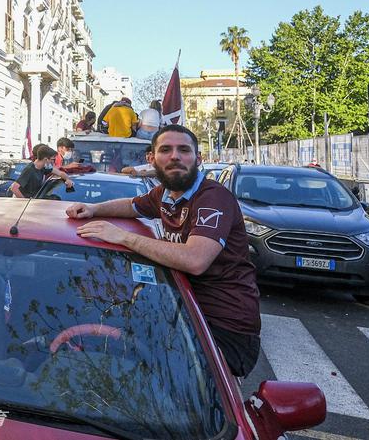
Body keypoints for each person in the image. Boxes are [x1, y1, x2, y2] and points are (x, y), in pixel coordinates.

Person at [66, 124, 261, 377]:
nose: (175, 156)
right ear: (152, 159)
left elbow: (195, 260)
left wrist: (124, 237)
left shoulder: (212, 197)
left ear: (198, 159)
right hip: (183, 311)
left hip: (225, 327)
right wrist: (93, 209)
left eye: (184, 150)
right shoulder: (165, 195)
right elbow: (132, 206)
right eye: (166, 149)